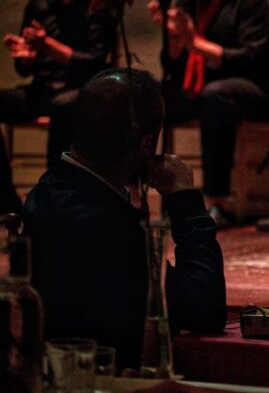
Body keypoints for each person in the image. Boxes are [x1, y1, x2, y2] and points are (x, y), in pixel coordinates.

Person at [23, 68, 227, 371]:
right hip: (108, 382)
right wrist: (185, 201)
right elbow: (205, 307)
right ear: (146, 147)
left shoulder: (43, 192)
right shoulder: (106, 223)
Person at [148, 0, 269, 226]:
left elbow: (251, 58)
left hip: (253, 90)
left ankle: (217, 203)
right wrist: (173, 38)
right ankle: (138, 193)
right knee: (146, 92)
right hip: (201, 89)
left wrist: (195, 43)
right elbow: (173, 67)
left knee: (216, 95)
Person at [0, 0, 117, 213]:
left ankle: (53, 201)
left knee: (63, 106)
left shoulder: (99, 7)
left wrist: (47, 45)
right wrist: (27, 58)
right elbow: (24, 68)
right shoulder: (39, 4)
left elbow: (95, 63)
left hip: (81, 92)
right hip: (43, 89)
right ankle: (7, 203)